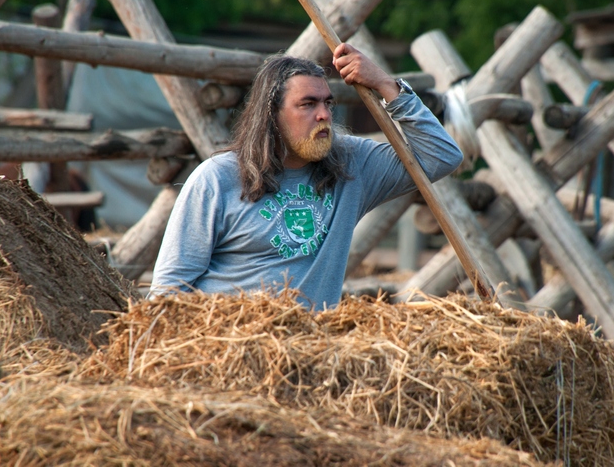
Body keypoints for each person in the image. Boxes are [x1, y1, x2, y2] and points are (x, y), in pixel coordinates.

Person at [149, 43, 463, 310]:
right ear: (272, 116)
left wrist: (384, 84)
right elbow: (168, 289)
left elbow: (443, 156)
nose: (324, 114)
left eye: (328, 102)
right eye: (308, 104)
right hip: (226, 348)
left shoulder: (352, 166)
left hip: (307, 354)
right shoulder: (217, 179)